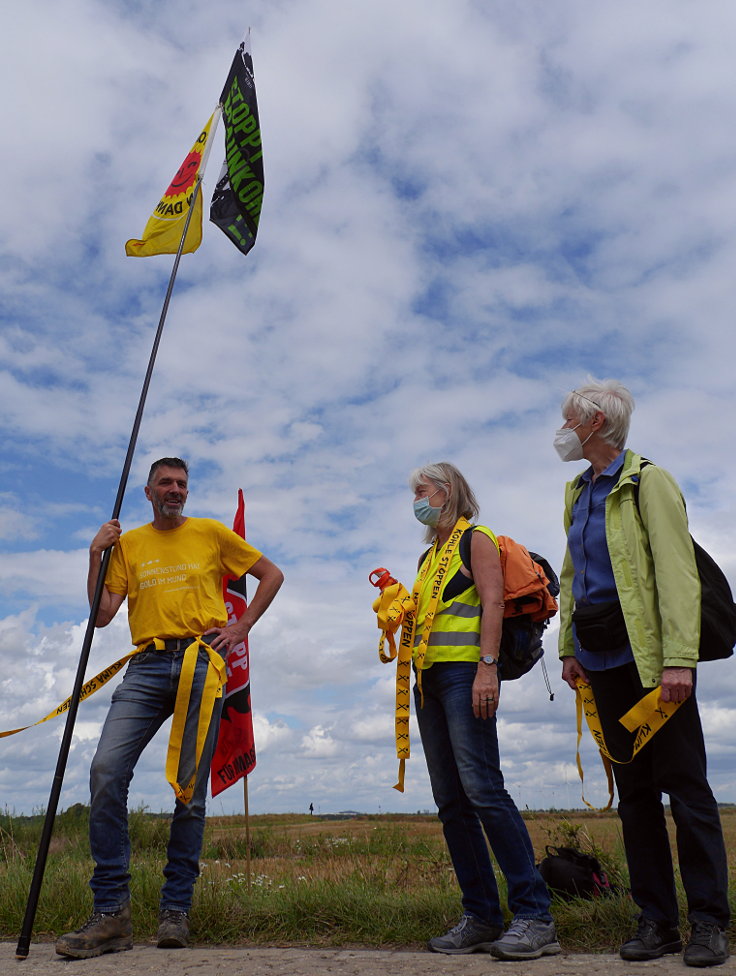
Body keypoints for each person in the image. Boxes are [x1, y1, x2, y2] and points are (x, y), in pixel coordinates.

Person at [55, 458, 283, 959]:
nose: (175, 490)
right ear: (148, 491)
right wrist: (96, 554)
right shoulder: (129, 544)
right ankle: (111, 914)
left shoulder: (211, 533)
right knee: (106, 771)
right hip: (147, 664)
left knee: (189, 792)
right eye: (166, 483)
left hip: (202, 663)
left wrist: (240, 627)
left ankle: (175, 911)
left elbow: (271, 575)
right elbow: (101, 614)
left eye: (182, 483)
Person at [556, 381, 730, 968]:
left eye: (567, 420)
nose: (560, 430)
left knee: (687, 792)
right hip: (600, 662)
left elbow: (679, 574)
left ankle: (708, 922)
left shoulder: (648, 481)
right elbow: (572, 577)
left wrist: (680, 660)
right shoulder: (575, 491)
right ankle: (656, 921)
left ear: (596, 421)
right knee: (634, 798)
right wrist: (569, 645)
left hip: (653, 662)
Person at [408, 462, 558, 961]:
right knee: (452, 801)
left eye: (422, 491)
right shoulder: (430, 555)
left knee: (484, 791)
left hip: (465, 676)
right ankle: (482, 916)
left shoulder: (477, 538)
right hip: (428, 683)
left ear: (447, 492)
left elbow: (492, 602)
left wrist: (487, 670)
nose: (417, 500)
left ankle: (536, 917)